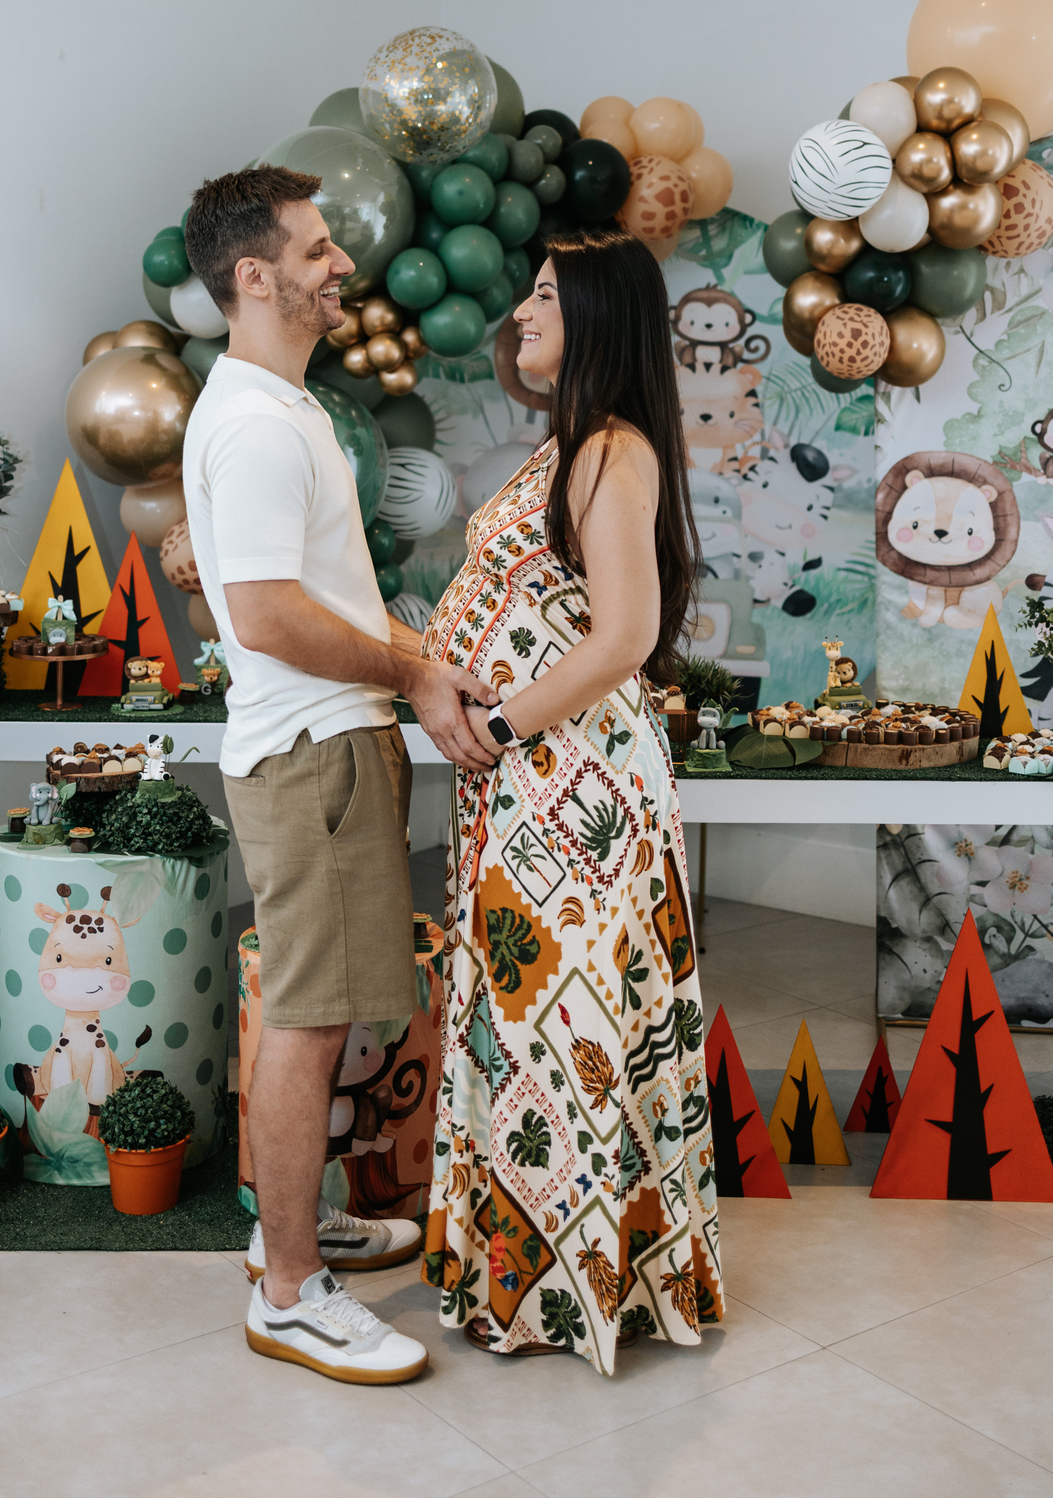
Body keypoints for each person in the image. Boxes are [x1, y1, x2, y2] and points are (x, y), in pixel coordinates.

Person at [181, 165, 496, 1386]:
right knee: (309, 1024)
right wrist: (413, 678)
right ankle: (290, 1292)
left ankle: (298, 1233)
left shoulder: (285, 406)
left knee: (333, 1008)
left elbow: (315, 595)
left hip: (329, 743)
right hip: (314, 749)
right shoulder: (260, 422)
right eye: (314, 251)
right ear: (252, 277)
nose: (337, 266)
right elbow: (262, 615)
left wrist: (417, 656)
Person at [420, 231, 724, 1375]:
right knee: (524, 1029)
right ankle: (522, 1281)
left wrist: (496, 727)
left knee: (575, 1033)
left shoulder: (613, 452)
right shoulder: (559, 450)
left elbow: (626, 637)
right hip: (531, 795)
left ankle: (584, 1292)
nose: (523, 311)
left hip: (577, 796)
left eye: (546, 295)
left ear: (598, 316)